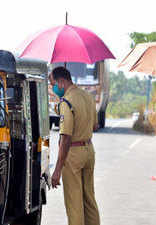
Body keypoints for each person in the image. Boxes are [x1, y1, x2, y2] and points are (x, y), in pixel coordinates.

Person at [49, 66, 100, 225]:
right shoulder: (87, 96)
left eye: (53, 84)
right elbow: (95, 126)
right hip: (88, 150)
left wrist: (57, 170)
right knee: (89, 199)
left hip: (73, 155)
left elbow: (65, 139)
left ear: (61, 82)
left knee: (74, 203)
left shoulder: (67, 101)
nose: (53, 88)